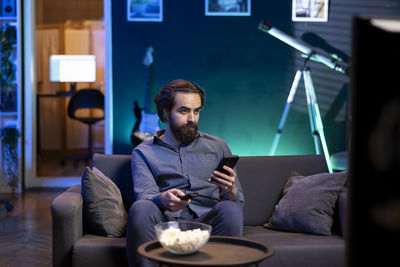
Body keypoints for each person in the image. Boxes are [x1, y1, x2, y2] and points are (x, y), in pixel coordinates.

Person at [126, 79, 245, 267]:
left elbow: (238, 204)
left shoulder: (218, 146)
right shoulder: (143, 152)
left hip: (208, 222)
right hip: (167, 223)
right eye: (184, 111)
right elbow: (144, 196)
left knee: (230, 209)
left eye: (196, 111)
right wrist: (162, 199)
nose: (192, 118)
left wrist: (231, 190)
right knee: (141, 208)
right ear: (166, 112)